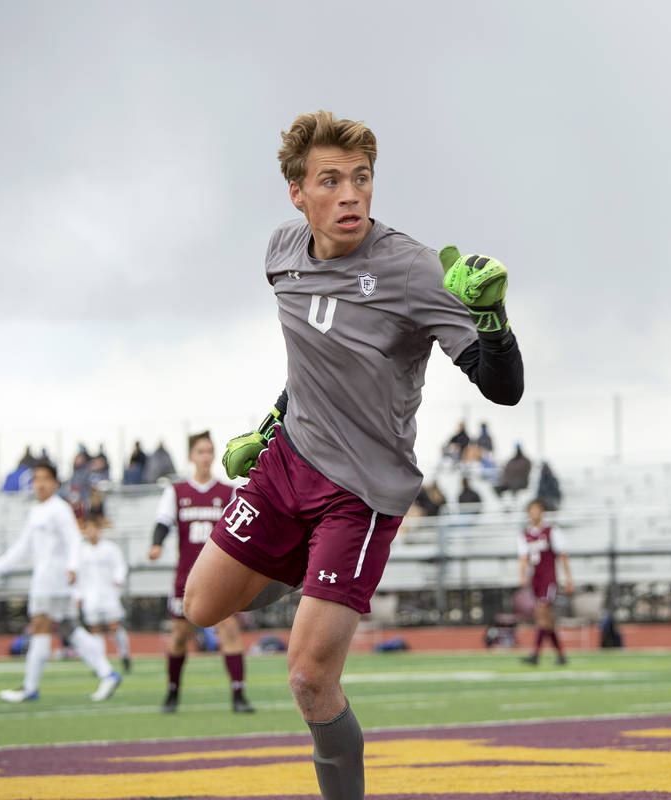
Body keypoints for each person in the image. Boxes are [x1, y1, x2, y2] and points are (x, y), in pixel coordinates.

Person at [181, 110, 523, 800]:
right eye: (330, 181)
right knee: (198, 607)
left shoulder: (412, 270)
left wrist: (494, 321)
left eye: (361, 179)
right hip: (286, 464)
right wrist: (271, 420)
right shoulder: (280, 253)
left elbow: (502, 388)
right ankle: (312, 576)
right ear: (296, 193)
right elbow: (314, 352)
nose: (350, 195)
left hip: (360, 494)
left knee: (309, 678)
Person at [0, 460, 122, 703]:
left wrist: (73, 567)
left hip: (54, 580)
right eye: (36, 479)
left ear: (55, 483)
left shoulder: (59, 509)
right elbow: (22, 546)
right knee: (70, 629)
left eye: (45, 479)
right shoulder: (37, 511)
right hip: (48, 580)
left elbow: (74, 539)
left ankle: (30, 687)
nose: (40, 484)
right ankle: (107, 673)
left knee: (40, 627)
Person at [148, 431, 253, 714]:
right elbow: (162, 523)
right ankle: (172, 694)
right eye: (200, 451)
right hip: (187, 577)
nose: (206, 457)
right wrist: (156, 545)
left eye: (209, 451)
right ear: (191, 456)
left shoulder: (227, 492)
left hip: (221, 577)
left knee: (229, 629)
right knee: (180, 636)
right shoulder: (177, 492)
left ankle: (239, 695)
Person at [517, 499, 573, 666]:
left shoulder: (551, 531)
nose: (534, 513)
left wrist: (568, 578)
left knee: (542, 614)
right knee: (547, 620)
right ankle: (561, 655)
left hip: (549, 579)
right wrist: (522, 575)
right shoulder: (525, 535)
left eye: (537, 510)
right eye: (531, 510)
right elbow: (524, 558)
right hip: (536, 579)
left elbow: (562, 555)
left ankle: (535, 654)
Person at [76, 513, 131, 673]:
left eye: (94, 528)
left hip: (109, 594)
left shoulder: (110, 548)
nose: (91, 532)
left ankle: (125, 655)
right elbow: (77, 575)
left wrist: (118, 579)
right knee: (95, 629)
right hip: (90, 596)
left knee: (114, 626)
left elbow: (120, 566)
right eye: (87, 529)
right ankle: (100, 663)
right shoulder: (81, 551)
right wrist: (78, 595)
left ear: (99, 530)